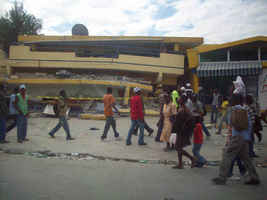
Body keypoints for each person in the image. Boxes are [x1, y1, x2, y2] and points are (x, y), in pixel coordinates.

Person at [212, 94, 260, 185]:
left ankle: (222, 177)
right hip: (245, 137)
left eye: (232, 99)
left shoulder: (234, 109)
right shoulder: (245, 109)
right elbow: (249, 124)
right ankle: (254, 177)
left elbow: (231, 123)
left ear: (235, 100)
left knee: (227, 155)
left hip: (237, 136)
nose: (230, 101)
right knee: (246, 158)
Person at [172, 95, 196, 169]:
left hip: (183, 131)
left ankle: (191, 159)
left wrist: (184, 125)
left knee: (177, 147)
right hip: (180, 130)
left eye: (179, 99)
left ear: (183, 101)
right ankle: (180, 164)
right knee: (178, 147)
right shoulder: (181, 108)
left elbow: (191, 118)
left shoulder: (185, 109)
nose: (178, 99)